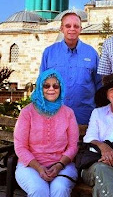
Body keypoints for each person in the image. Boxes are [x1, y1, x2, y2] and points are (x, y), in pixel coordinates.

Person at [14, 69, 79, 197]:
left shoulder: (68, 113)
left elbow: (73, 146)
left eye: (55, 86)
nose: (51, 89)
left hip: (62, 165)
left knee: (60, 189)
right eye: (46, 85)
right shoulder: (27, 113)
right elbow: (20, 147)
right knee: (39, 191)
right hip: (31, 166)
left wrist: (60, 165)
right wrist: (39, 168)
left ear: (60, 89)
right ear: (39, 87)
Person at [40, 12, 101, 124]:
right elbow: (41, 84)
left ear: (81, 29)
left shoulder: (91, 53)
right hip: (55, 116)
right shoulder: (49, 53)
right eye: (68, 26)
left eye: (76, 26)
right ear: (61, 28)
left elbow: (99, 84)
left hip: (85, 117)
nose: (72, 29)